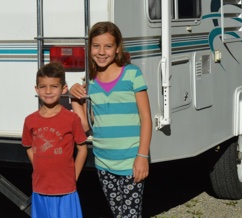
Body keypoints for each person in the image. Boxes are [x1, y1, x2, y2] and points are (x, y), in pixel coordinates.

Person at [70, 21, 153, 218]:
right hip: (104, 163)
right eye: (96, 46)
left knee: (130, 216)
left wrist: (142, 157)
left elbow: (146, 117)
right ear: (89, 48)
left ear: (117, 49)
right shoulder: (89, 83)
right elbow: (85, 126)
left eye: (108, 46)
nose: (101, 52)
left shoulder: (132, 74)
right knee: (118, 213)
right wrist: (74, 99)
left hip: (131, 162)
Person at [22, 62, 88, 218]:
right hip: (40, 189)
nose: (48, 91)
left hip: (66, 191)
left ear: (64, 88)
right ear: (36, 89)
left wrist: (74, 176)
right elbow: (28, 146)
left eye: (54, 86)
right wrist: (38, 165)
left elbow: (82, 149)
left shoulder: (71, 119)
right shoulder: (30, 120)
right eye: (43, 86)